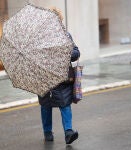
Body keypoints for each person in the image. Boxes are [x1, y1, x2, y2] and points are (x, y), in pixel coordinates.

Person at [38, 8, 80, 144]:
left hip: (62, 77)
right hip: (45, 77)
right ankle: (47, 131)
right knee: (45, 105)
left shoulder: (65, 35)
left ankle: (68, 132)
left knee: (65, 103)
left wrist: (67, 53)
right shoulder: (40, 38)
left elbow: (76, 52)